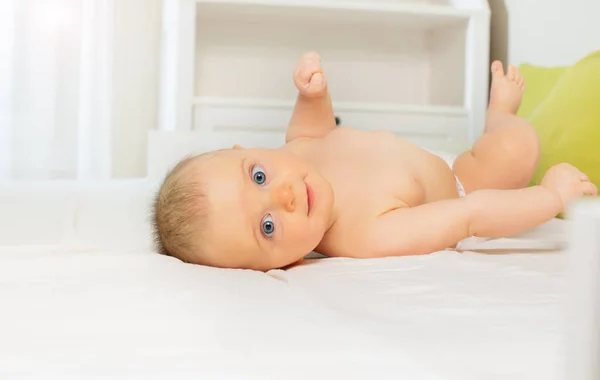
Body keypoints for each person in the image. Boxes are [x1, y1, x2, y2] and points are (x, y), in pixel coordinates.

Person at [152, 52, 598, 271]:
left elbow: (314, 130)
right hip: (466, 182)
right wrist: (548, 196)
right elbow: (470, 217)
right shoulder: (363, 234)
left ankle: (496, 118)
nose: (284, 195)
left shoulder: (297, 151)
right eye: (268, 226)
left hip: (434, 161)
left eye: (260, 176)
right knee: (517, 148)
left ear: (243, 151)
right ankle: (501, 116)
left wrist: (313, 95)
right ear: (281, 265)